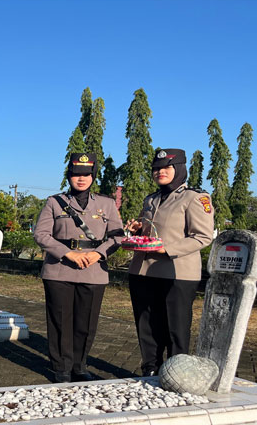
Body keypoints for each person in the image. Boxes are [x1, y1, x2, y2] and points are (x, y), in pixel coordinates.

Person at [34, 153, 125, 383]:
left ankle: (79, 365)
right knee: (60, 321)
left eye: (86, 174)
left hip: (93, 270)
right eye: (76, 174)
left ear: (93, 176)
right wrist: (68, 253)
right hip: (60, 269)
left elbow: (117, 236)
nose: (81, 178)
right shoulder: (54, 202)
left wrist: (98, 253)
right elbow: (41, 234)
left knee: (86, 323)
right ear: (69, 176)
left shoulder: (106, 204)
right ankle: (61, 368)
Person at [125, 148, 214, 376]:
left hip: (177, 272)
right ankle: (150, 370)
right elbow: (153, 231)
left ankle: (176, 374)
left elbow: (203, 237)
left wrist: (168, 249)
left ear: (180, 169)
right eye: (156, 169)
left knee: (176, 328)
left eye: (166, 168)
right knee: (147, 325)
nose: (160, 172)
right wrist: (137, 230)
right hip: (143, 271)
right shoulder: (151, 199)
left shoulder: (195, 198)